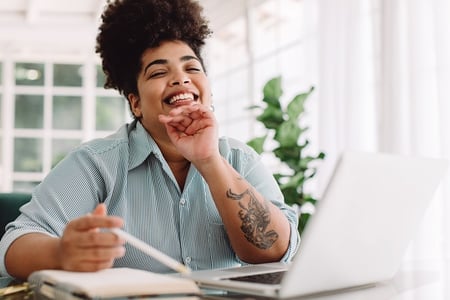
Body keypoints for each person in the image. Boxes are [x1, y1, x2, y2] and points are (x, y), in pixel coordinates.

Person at [0, 0, 300, 280]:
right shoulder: (96, 165)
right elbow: (13, 246)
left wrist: (209, 160)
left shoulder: (240, 159)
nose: (181, 78)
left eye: (192, 67)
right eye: (158, 72)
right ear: (136, 103)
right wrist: (61, 252)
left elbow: (273, 252)